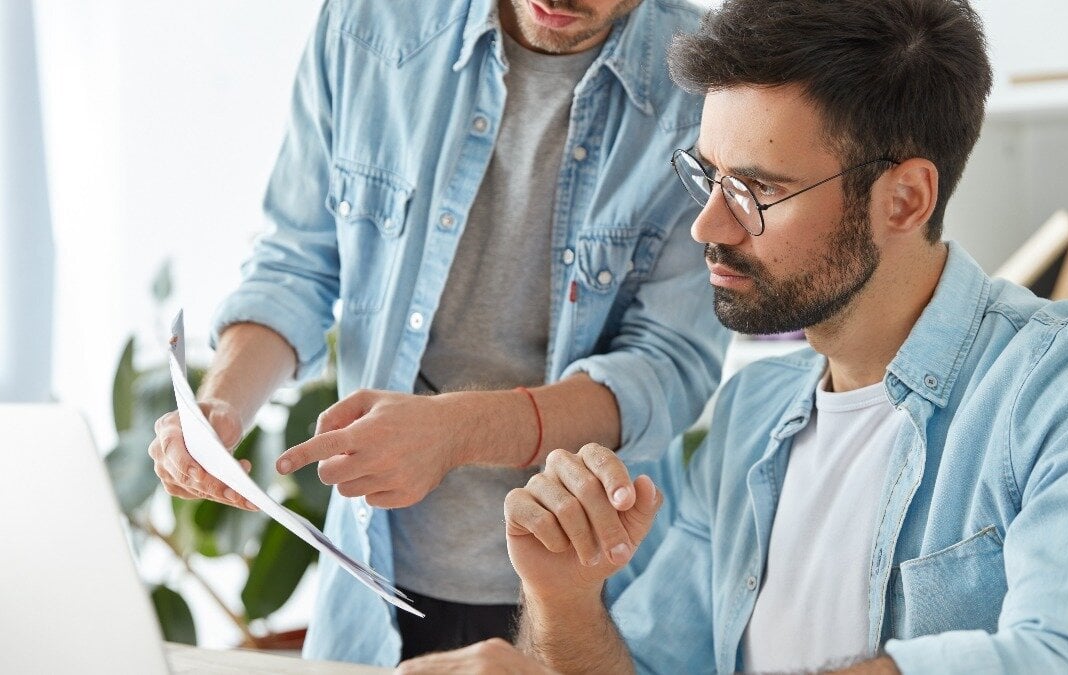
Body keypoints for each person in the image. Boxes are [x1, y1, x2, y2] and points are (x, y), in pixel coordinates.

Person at [397, 0, 1068, 673]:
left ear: (905, 198)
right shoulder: (749, 414)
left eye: (755, 190)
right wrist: (563, 597)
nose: (708, 224)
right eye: (708, 176)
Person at [145, 0, 727, 667]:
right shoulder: (371, 23)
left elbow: (668, 367)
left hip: (580, 599)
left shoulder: (704, 85)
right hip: (370, 580)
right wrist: (222, 402)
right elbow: (297, 262)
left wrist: (457, 430)